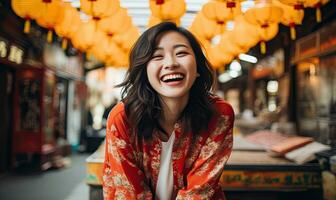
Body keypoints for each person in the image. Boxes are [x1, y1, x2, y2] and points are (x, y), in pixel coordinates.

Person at [103, 22, 234, 200]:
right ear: (145, 71)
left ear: (196, 68)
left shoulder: (219, 114)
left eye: (181, 53)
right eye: (157, 56)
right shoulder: (123, 119)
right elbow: (130, 194)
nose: (171, 63)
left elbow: (199, 192)